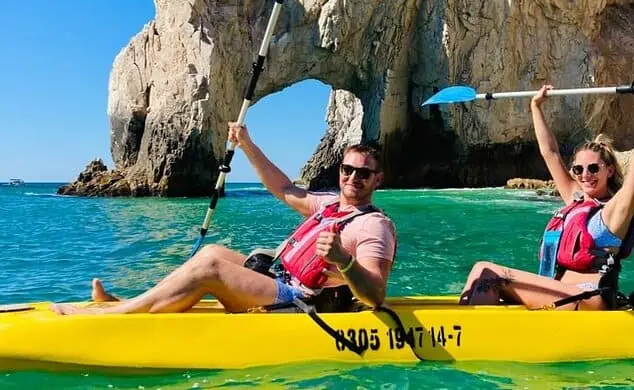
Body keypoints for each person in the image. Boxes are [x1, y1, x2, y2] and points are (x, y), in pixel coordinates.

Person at [52, 123, 397, 315]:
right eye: (348, 169)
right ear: (340, 171)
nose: (354, 177)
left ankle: (115, 316)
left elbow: (375, 296)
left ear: (377, 180)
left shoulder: (373, 226)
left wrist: (344, 261)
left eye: (364, 173)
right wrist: (246, 144)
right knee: (212, 253)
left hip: (298, 299)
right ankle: (130, 303)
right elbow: (283, 186)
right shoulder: (328, 204)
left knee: (210, 271)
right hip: (278, 278)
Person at [459, 77, 634, 310]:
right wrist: (536, 106)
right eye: (578, 169)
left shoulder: (615, 212)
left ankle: (467, 337)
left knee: (486, 272)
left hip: (589, 299)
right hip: (560, 294)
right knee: (482, 274)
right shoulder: (575, 198)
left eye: (593, 168)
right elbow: (550, 152)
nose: (585, 175)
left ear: (609, 170)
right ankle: (469, 328)